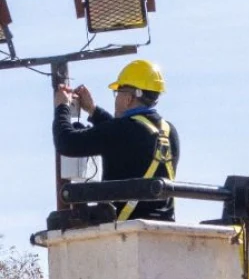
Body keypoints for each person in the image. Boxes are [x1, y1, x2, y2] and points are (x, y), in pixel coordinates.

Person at [53, 59, 180, 221]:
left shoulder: (122, 130)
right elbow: (122, 137)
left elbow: (67, 142)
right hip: (163, 227)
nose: (116, 98)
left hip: (124, 230)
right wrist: (93, 111)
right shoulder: (169, 132)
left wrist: (62, 107)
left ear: (129, 98)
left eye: (118, 92)